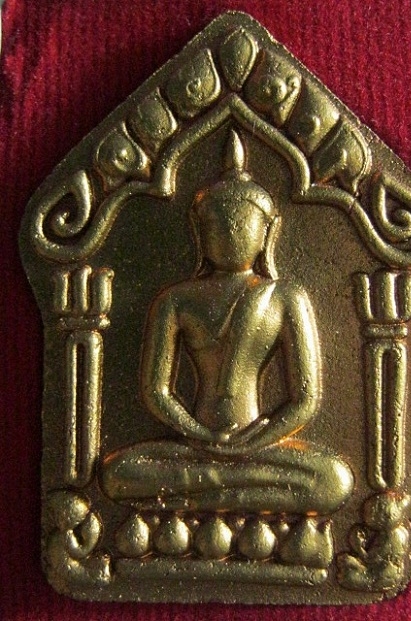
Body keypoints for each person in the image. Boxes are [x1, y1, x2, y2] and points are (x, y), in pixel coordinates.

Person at [101, 130, 353, 515]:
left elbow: (305, 400)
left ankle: (201, 498)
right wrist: (200, 435)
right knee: (118, 473)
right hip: (195, 448)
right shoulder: (176, 299)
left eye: (243, 222)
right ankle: (240, 495)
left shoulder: (286, 296)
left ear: (266, 233)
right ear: (200, 233)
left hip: (260, 446)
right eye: (218, 224)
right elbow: (157, 392)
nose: (231, 232)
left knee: (334, 479)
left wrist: (253, 442)